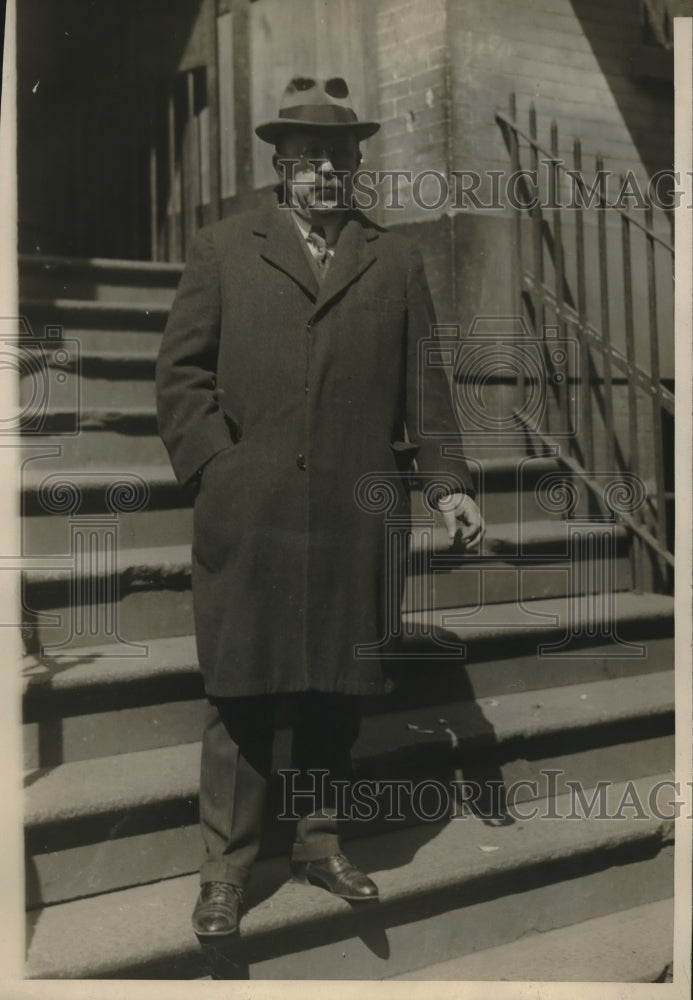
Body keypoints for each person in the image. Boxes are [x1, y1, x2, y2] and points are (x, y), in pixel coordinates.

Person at [155, 75, 483, 938]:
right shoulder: (223, 248)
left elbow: (425, 387)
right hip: (250, 512)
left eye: (341, 154)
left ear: (357, 163)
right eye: (309, 155)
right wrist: (215, 472)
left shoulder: (395, 257)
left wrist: (447, 485)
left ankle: (317, 842)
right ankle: (224, 874)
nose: (327, 169)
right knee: (244, 694)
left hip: (352, 512)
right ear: (280, 163)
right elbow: (180, 378)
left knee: (337, 691)